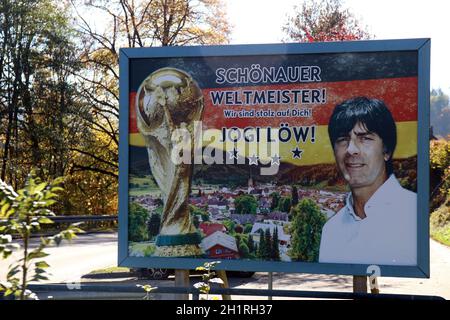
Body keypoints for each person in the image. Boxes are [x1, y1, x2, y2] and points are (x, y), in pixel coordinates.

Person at [318, 97, 417, 265]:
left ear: (386, 150)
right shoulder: (331, 230)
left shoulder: (414, 214)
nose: (351, 150)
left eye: (364, 138)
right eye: (342, 139)